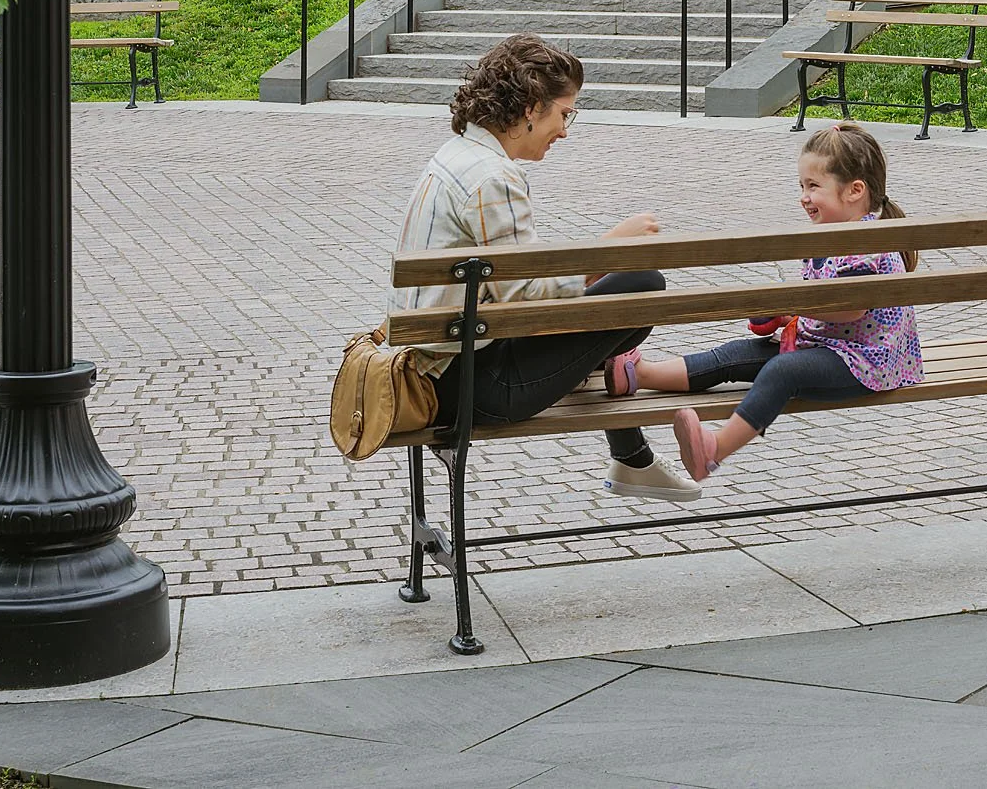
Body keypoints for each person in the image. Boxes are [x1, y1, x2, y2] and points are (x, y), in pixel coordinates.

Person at [391, 35, 700, 500]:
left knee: (617, 303)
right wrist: (607, 251)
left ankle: (632, 457)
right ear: (533, 107)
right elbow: (525, 302)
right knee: (642, 282)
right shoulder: (493, 178)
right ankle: (632, 458)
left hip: (438, 365)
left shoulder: (454, 156)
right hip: (475, 386)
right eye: (564, 113)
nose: (565, 129)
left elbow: (509, 291)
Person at [604, 123, 921, 483]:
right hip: (826, 346)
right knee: (738, 355)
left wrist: (791, 303)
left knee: (781, 372)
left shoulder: (869, 242)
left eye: (813, 186)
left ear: (855, 191)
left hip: (864, 363)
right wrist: (788, 312)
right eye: (802, 186)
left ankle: (713, 451)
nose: (804, 196)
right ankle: (641, 373)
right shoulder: (837, 235)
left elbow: (850, 308)